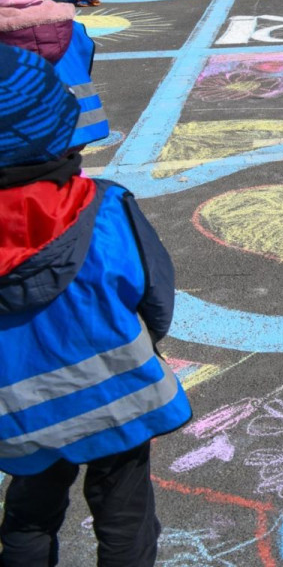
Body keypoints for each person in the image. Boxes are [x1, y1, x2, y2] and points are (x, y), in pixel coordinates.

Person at [0, 43, 191, 567]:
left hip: (17, 409)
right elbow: (155, 298)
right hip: (116, 392)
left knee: (28, 515)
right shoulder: (104, 209)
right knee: (124, 516)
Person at [0, 0, 109, 152]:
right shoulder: (69, 25)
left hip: (20, 129)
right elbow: (85, 53)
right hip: (78, 120)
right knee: (68, 170)